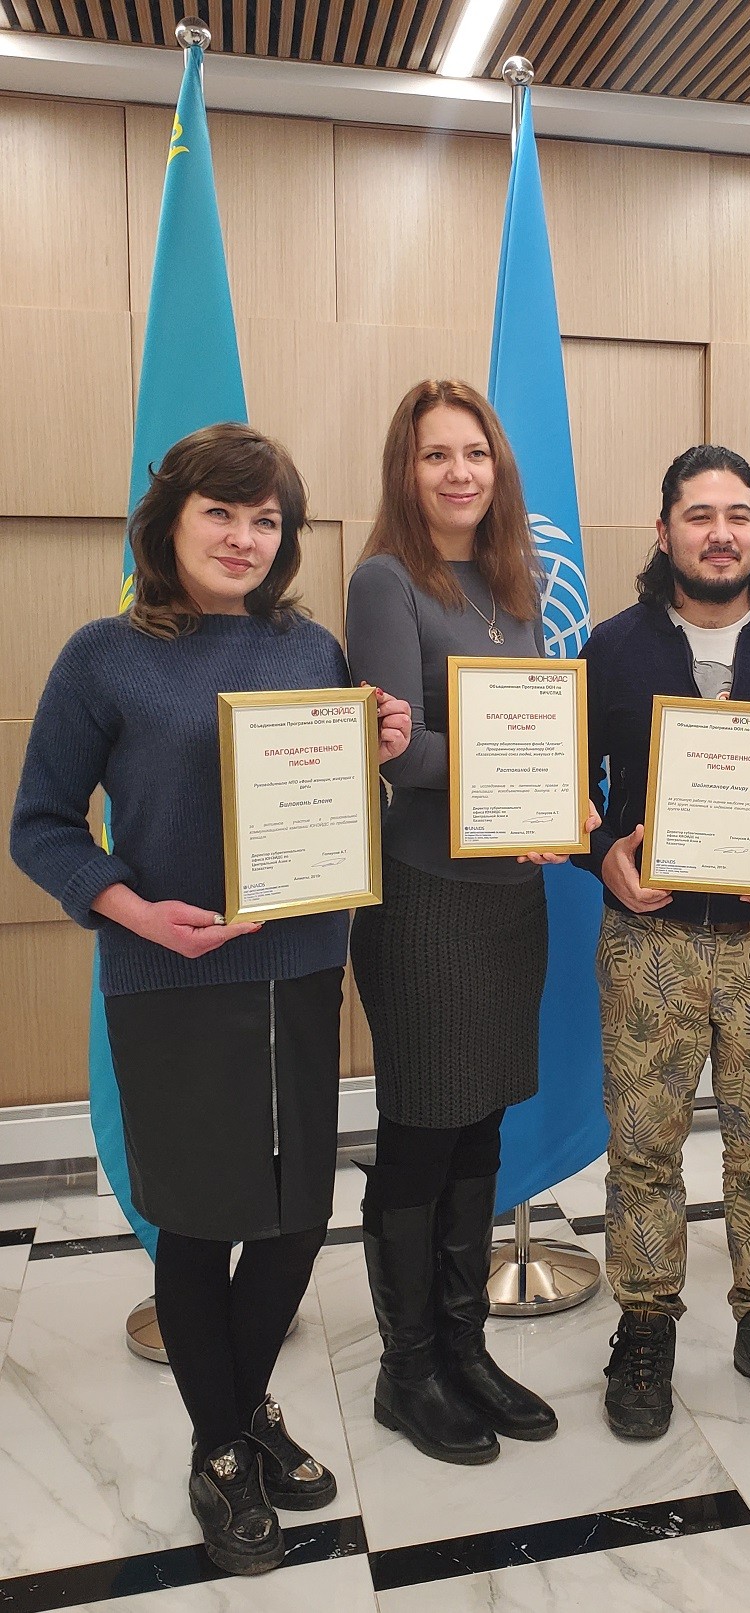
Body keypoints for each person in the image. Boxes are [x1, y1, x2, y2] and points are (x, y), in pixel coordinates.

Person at [9, 423, 411, 1575]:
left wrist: (374, 754)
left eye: (266, 519)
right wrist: (129, 907)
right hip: (170, 975)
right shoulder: (106, 655)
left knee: (292, 1216)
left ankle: (237, 1415)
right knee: (197, 1222)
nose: (244, 537)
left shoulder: (313, 645)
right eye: (221, 514)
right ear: (169, 523)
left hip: (298, 966)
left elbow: (332, 809)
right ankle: (222, 1445)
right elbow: (39, 824)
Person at [577, 443, 750, 1440]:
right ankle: (645, 1324)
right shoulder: (611, 648)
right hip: (647, 938)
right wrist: (603, 852)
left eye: (738, 513)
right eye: (699, 514)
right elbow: (568, 784)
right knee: (642, 1150)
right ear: (663, 532)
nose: (721, 531)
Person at [345, 379, 591, 1465]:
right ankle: (410, 1370)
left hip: (508, 894)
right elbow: (398, 747)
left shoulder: (514, 587)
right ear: (407, 469)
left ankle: (465, 1345)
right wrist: (518, 771)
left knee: (482, 1123)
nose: (458, 471)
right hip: (424, 897)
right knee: (421, 1132)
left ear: (499, 470)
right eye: (436, 453)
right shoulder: (383, 579)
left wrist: (560, 790)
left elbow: (527, 729)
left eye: (475, 453)